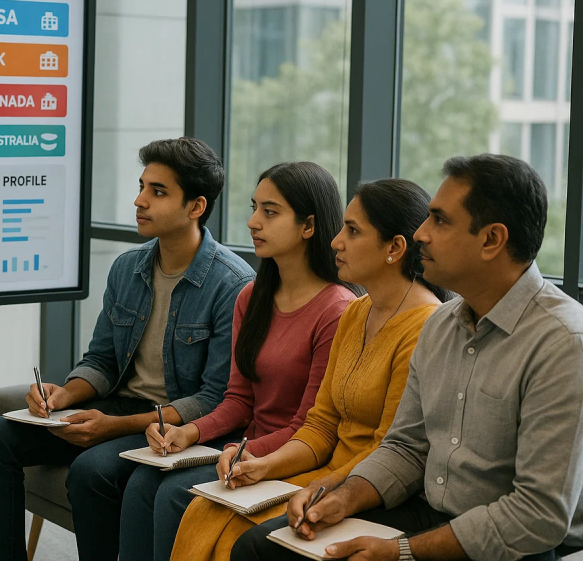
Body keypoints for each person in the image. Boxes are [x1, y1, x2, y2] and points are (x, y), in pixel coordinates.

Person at [233, 154, 583, 561]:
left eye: (440, 220)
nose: (420, 234)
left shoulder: (562, 342)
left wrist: (402, 551)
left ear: (492, 240)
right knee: (260, 547)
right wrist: (341, 497)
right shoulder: (442, 326)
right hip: (428, 512)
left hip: (513, 545)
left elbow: (537, 516)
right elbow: (405, 448)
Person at [0, 138, 255, 561]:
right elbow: (102, 360)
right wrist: (64, 394)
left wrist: (113, 427)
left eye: (158, 191)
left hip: (175, 427)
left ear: (196, 206)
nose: (140, 200)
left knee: (92, 471)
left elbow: (214, 398)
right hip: (120, 405)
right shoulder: (127, 267)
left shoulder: (233, 284)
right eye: (142, 186)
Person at [168, 178, 447, 561]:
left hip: (364, 485)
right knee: (205, 510)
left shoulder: (424, 326)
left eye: (352, 231)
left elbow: (390, 451)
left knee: (241, 537)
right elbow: (320, 425)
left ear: (394, 248)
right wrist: (264, 465)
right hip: (325, 470)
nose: (336, 241)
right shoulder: (357, 311)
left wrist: (323, 486)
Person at [120, 161, 357, 561]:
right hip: (247, 448)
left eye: (270, 212)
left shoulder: (337, 309)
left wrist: (241, 450)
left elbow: (310, 427)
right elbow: (238, 400)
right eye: (254, 207)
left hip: (293, 457)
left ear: (308, 226)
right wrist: (189, 432)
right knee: (143, 482)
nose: (253, 222)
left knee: (173, 493)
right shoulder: (252, 296)